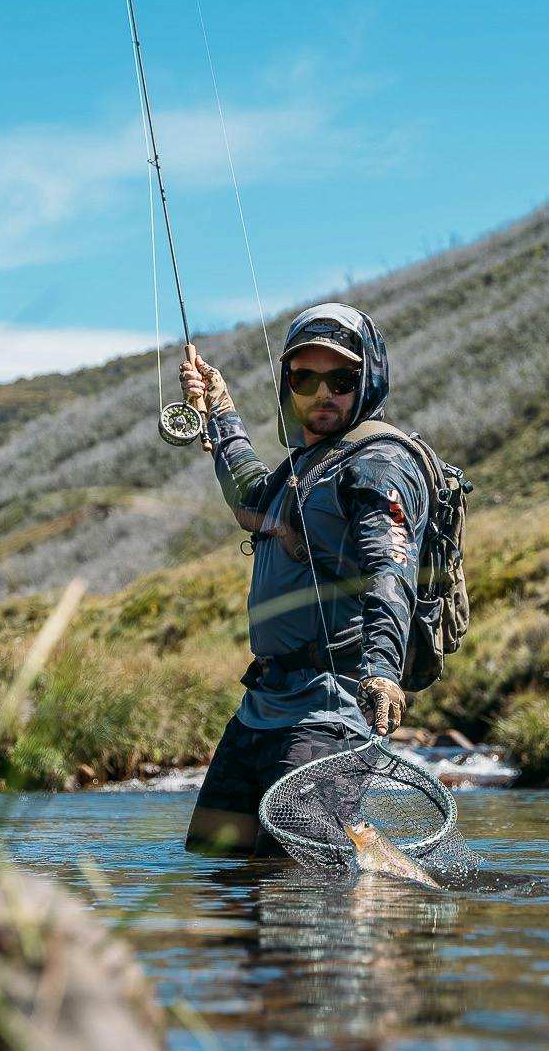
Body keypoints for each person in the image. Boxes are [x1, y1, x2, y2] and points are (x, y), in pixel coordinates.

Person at [180, 303, 430, 855]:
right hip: (263, 707)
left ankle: (381, 892)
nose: (323, 393)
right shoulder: (305, 466)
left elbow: (390, 572)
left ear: (368, 380)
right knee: (216, 862)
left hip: (328, 714)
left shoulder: (379, 464)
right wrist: (219, 409)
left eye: (340, 380)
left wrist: (382, 672)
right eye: (304, 379)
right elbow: (251, 500)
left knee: (302, 879)